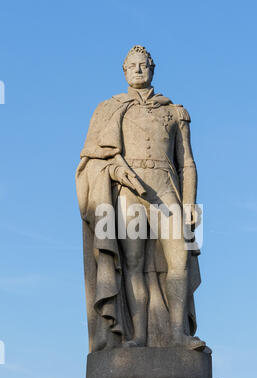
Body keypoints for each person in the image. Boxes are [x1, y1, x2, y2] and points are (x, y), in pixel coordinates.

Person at [76, 45, 205, 352]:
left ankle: (178, 334)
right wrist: (117, 171)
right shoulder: (110, 107)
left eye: (143, 65)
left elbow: (187, 161)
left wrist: (190, 204)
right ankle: (139, 336)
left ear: (152, 68)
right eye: (132, 65)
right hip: (128, 193)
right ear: (124, 71)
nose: (137, 69)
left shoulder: (175, 112)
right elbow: (93, 156)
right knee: (132, 265)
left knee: (180, 260)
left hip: (166, 189)